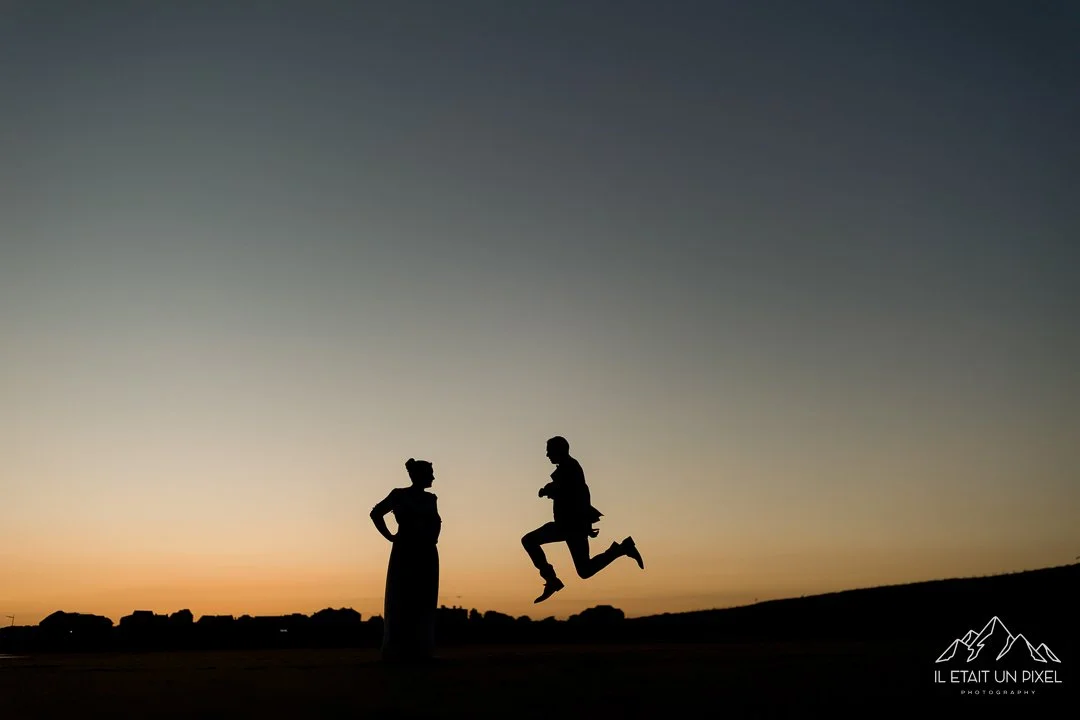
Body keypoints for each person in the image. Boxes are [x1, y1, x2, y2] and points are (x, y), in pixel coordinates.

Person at [521, 436, 644, 603]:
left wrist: (549, 490)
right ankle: (621, 549)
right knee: (582, 569)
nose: (547, 455)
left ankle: (621, 549)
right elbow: (567, 492)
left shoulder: (571, 468)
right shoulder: (567, 468)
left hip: (572, 527)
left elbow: (575, 494)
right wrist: (550, 491)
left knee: (532, 542)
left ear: (559, 450)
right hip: (566, 526)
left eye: (549, 451)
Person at [370, 458, 442, 661]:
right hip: (405, 550)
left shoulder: (431, 499)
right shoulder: (399, 495)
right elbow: (376, 513)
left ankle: (421, 648)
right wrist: (390, 536)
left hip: (427, 551)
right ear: (418, 476)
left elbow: (436, 522)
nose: (433, 477)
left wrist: (433, 537)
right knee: (402, 596)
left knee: (423, 598)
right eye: (430, 473)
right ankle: (399, 649)